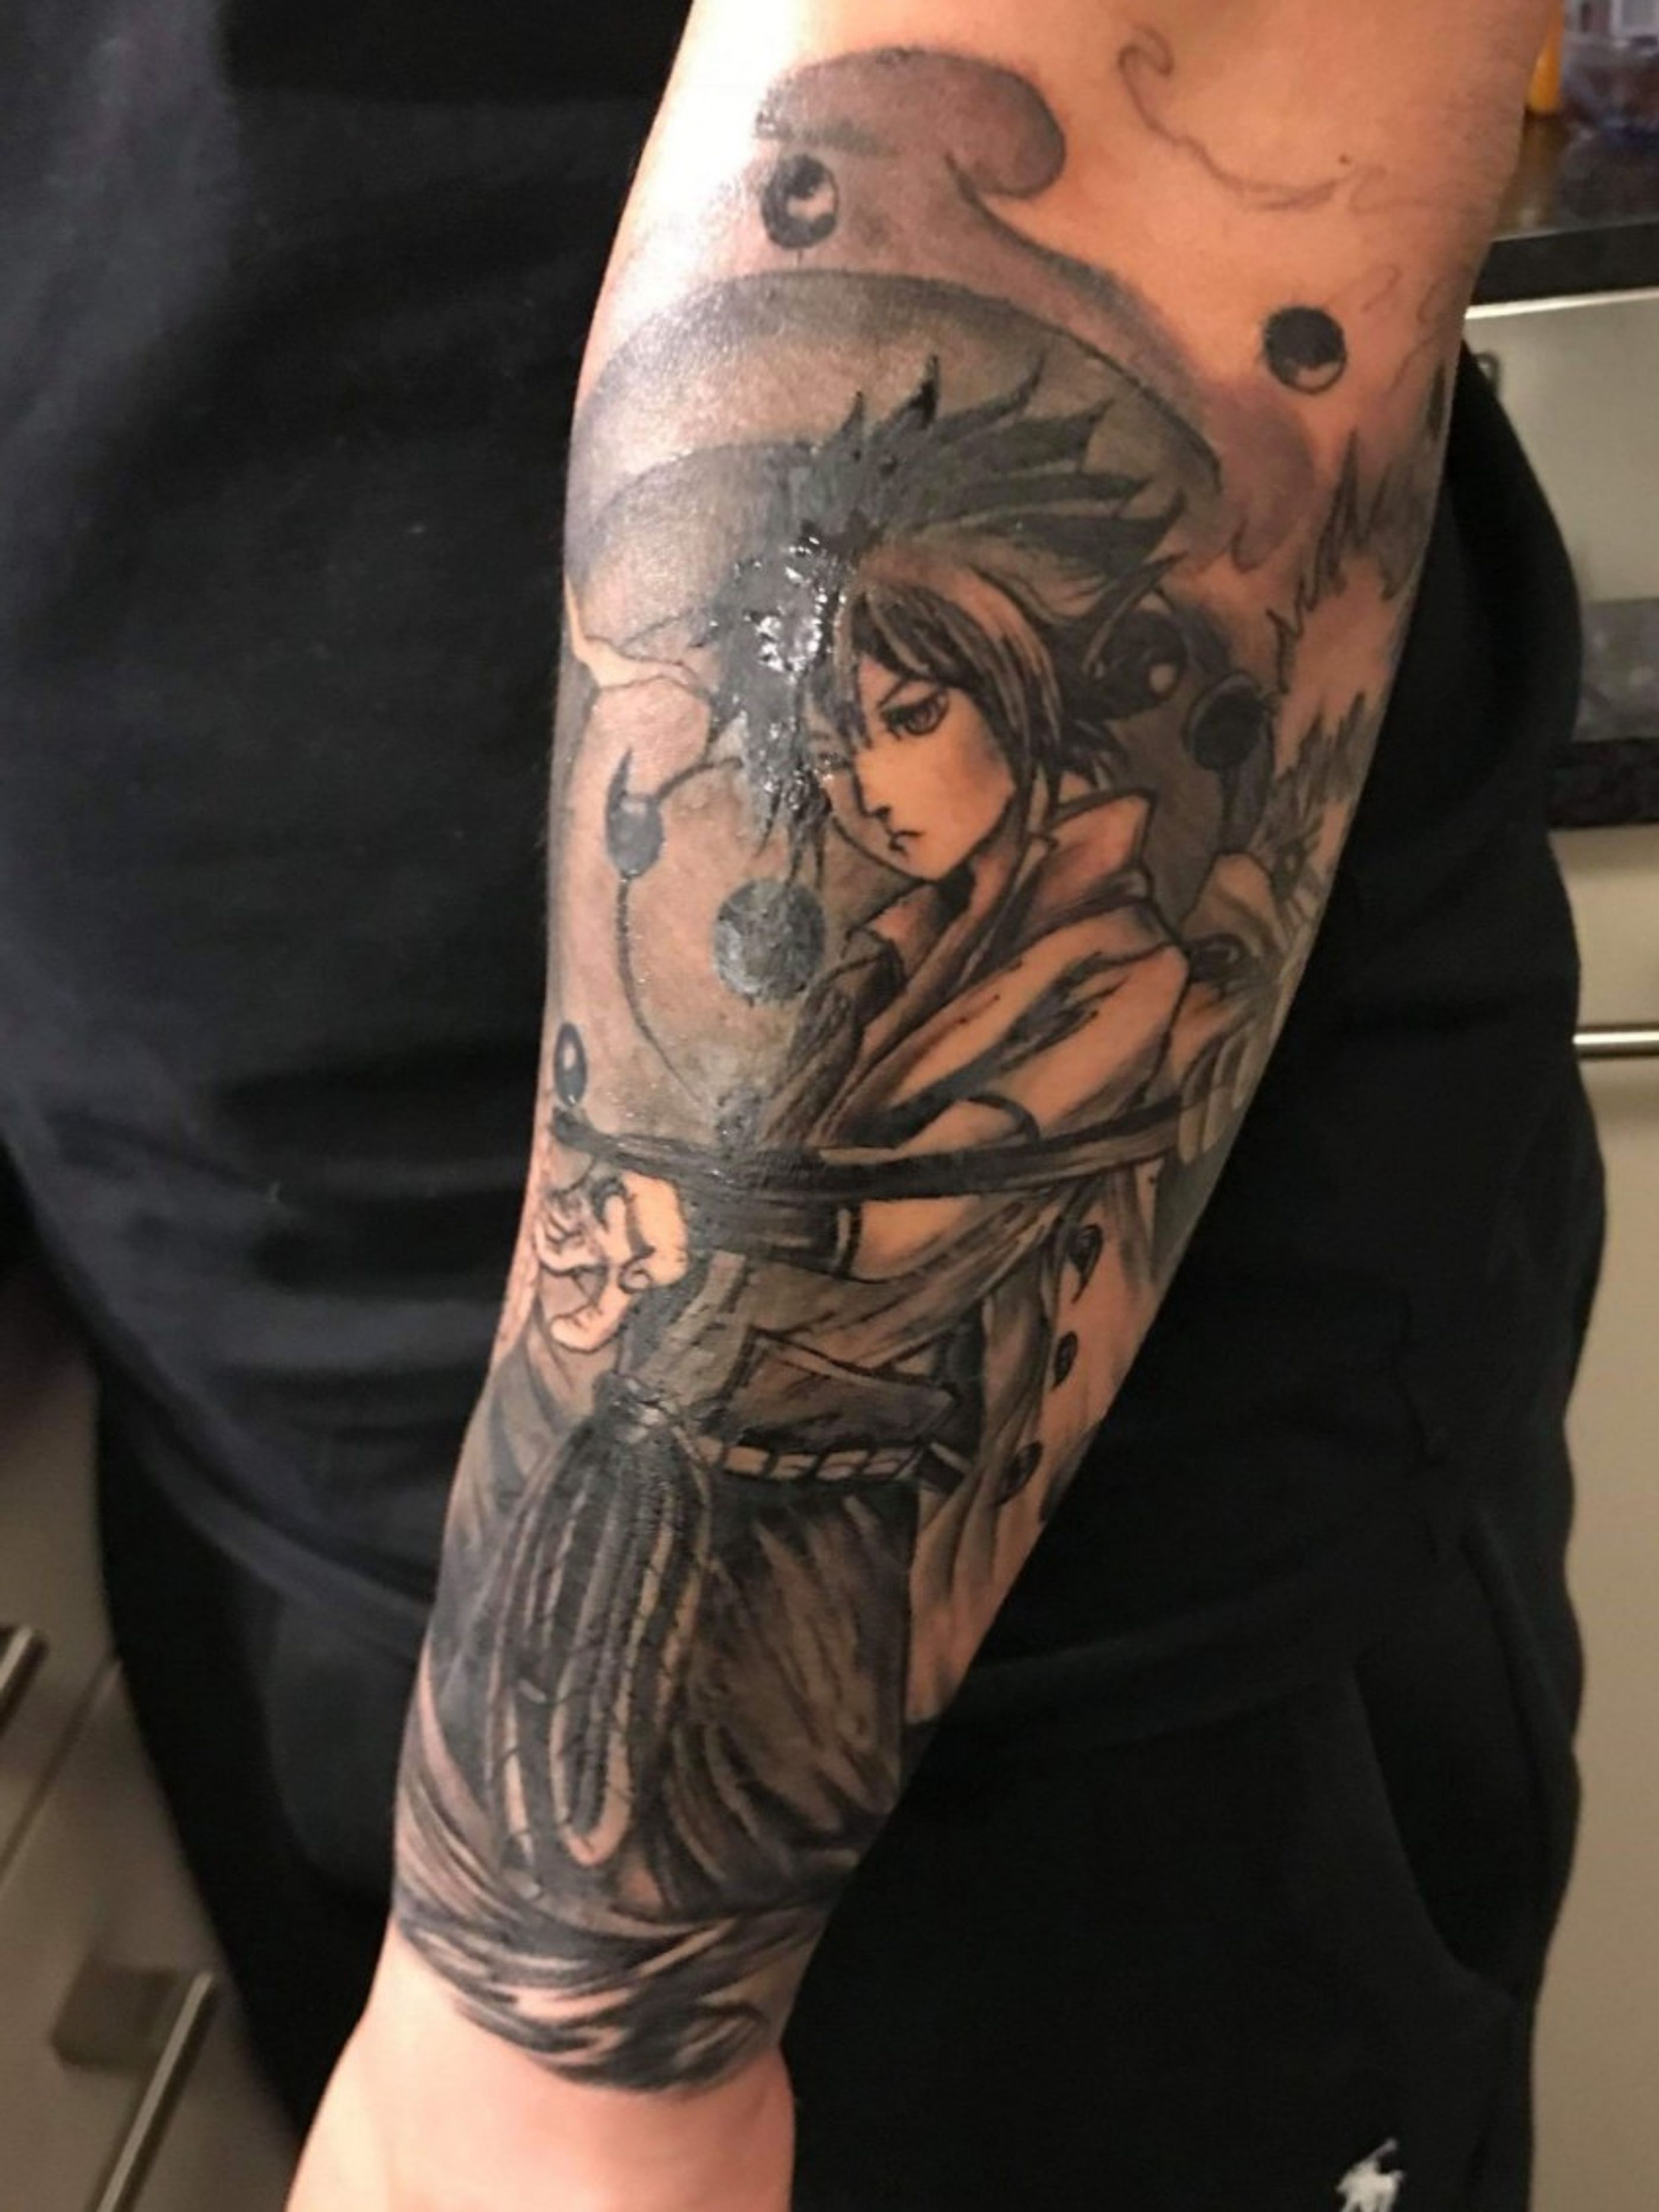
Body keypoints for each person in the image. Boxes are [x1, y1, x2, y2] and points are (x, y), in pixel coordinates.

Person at [0, 5, 1601, 2210]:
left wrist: (569, 2037)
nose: (814, 772)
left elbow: (1194, 84)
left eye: (911, 697)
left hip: (1020, 1650)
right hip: (252, 1407)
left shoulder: (1070, 944)